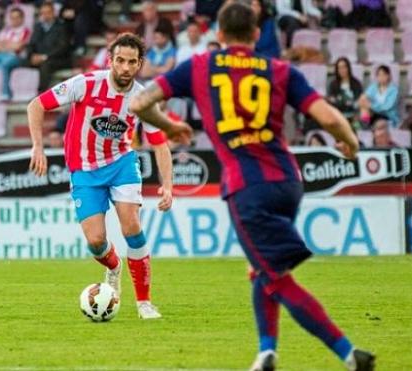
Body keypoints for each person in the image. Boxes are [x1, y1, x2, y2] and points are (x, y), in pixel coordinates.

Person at [129, 3, 374, 370]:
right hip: (288, 182)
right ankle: (266, 353)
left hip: (247, 187)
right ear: (258, 35)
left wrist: (168, 125)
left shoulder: (200, 67)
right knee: (262, 268)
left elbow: (139, 102)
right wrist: (351, 144)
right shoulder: (278, 69)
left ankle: (348, 353)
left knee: (275, 276)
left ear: (219, 35)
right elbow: (328, 116)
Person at [28, 33, 177, 320]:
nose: (124, 67)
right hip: (84, 169)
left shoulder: (143, 99)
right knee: (96, 241)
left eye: (131, 62)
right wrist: (38, 146)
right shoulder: (85, 84)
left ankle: (144, 302)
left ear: (139, 64)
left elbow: (160, 143)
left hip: (122, 164)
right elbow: (36, 105)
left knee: (132, 226)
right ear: (110, 60)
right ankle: (113, 266)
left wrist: (168, 186)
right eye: (119, 60)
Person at [27, 1, 71, 92]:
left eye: (48, 13)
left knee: (45, 65)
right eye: (43, 13)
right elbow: (31, 44)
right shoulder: (38, 26)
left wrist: (44, 57)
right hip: (39, 57)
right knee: (21, 62)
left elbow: (62, 48)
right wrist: (32, 55)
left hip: (58, 59)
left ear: (53, 13)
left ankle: (41, 94)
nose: (46, 15)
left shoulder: (62, 27)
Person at [327, 57, 363, 125]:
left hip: (354, 116)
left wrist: (340, 101)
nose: (342, 70)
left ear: (348, 68)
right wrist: (346, 103)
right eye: (339, 68)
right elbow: (331, 101)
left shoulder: (356, 84)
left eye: (344, 67)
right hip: (338, 117)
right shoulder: (333, 84)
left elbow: (357, 102)